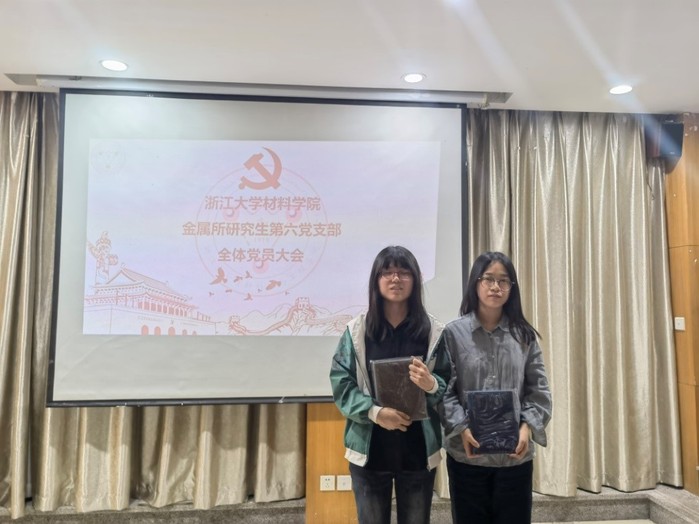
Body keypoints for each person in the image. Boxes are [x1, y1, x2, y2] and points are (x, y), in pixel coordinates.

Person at [330, 245, 451, 524]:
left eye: (404, 272)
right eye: (387, 272)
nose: (396, 279)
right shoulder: (357, 331)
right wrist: (375, 413)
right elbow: (341, 384)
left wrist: (431, 385)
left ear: (415, 280)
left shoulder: (433, 331)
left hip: (418, 451)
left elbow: (448, 382)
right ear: (376, 280)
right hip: (370, 451)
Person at [438, 251, 552, 524]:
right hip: (467, 456)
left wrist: (526, 428)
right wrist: (462, 428)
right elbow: (444, 391)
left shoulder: (524, 336)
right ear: (475, 284)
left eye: (503, 281)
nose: (495, 287)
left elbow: (539, 391)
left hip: (514, 457)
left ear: (512, 288)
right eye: (488, 279)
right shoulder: (453, 334)